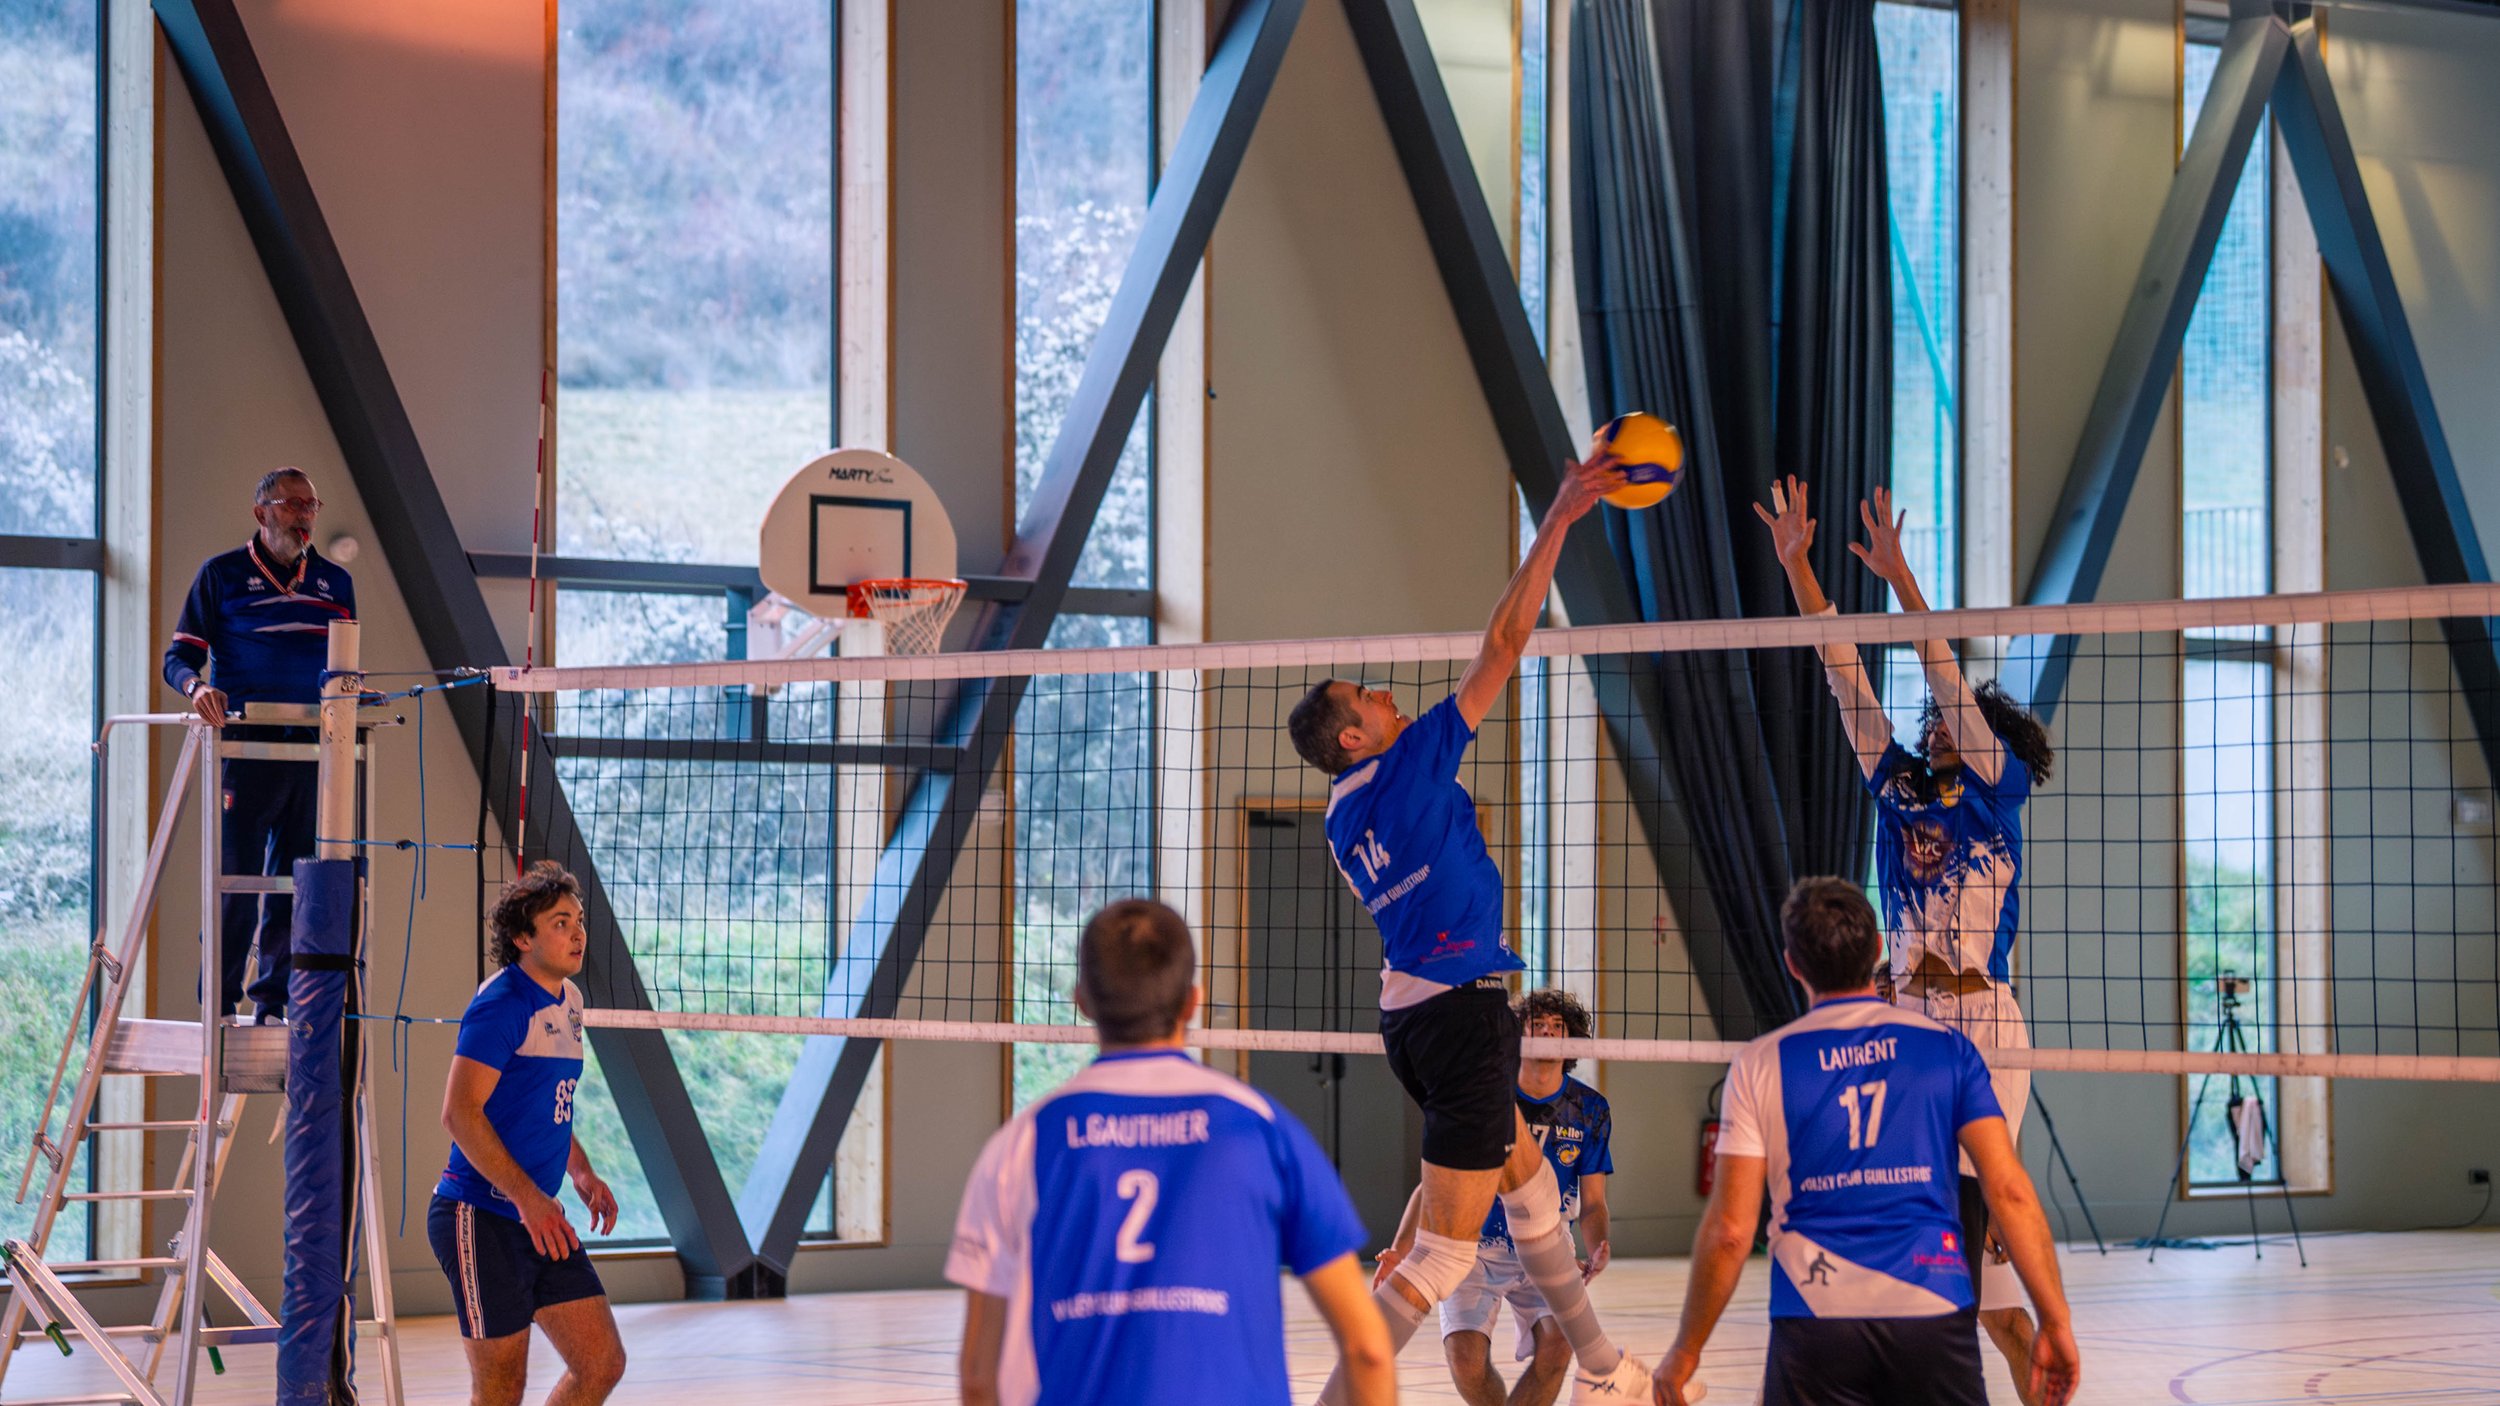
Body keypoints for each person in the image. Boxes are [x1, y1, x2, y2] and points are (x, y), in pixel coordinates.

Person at [1287, 447, 1651, 1404]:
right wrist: (1560, 519)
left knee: (1531, 1189)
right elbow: (1503, 646)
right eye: (1364, 698)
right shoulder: (1404, 774)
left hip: (1419, 1022)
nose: (1382, 693)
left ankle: (1603, 1369)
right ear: (1354, 739)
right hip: (1459, 1020)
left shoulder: (1340, 815)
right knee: (1443, 1260)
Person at [1755, 477, 2059, 1400]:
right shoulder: (1896, 789)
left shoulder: (1996, 793)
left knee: (1983, 1253)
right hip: (1906, 1020)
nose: (1932, 727)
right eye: (1927, 726)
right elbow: (1844, 672)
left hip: (1984, 1020)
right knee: (1941, 1246)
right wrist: (1802, 568)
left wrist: (1902, 580)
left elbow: (1943, 674)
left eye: (1946, 722)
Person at [1651, 878, 2081, 1406]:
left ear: (1792, 963)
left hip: (1815, 1313)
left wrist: (1686, 1351)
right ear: (1879, 948)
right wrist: (2055, 1319)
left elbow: (1731, 1231)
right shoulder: (1948, 1051)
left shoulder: (1761, 1062)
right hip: (1931, 1308)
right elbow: (2009, 1190)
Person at [948, 898, 1393, 1406]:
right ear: (1192, 1002)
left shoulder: (1019, 1146)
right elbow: (1369, 1350)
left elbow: (980, 1375)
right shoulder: (1262, 1130)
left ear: (1082, 1002)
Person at [162, 466, 356, 1019]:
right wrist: (198, 688)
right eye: (293, 505)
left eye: (311, 506)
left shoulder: (336, 584)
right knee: (238, 882)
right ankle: (219, 1003)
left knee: (296, 885)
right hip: (245, 749)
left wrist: (354, 693)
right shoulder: (220, 575)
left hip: (314, 751)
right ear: (262, 512)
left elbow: (344, 668)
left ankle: (273, 1001)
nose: (304, 516)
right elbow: (178, 659)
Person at [430, 862, 627, 1406]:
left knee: (602, 1364)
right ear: (523, 937)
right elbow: (459, 1113)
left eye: (579, 920)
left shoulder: (571, 1003)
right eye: (561, 922)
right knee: (501, 1388)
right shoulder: (502, 1005)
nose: (578, 932)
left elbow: (547, 1108)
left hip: (538, 1216)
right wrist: (529, 1200)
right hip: (481, 1216)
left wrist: (580, 1170)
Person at [1377, 989, 1615, 1406]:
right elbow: (1432, 1185)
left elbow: (1594, 1202)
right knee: (1465, 1359)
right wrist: (1400, 1250)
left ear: (1572, 1039)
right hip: (1470, 1250)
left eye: (1556, 1026)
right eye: (1536, 1024)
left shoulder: (1589, 1109)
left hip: (1545, 1246)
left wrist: (1597, 1247)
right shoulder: (1483, 1096)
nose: (1546, 1031)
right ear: (1516, 1036)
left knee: (1558, 1347)